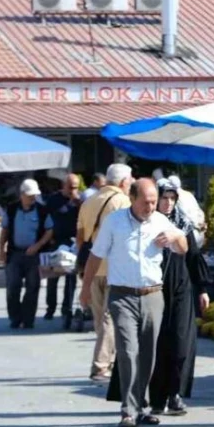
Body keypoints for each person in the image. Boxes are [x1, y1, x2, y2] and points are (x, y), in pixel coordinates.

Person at [79, 179, 188, 427]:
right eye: (146, 202)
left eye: (153, 202)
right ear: (132, 198)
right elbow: (95, 256)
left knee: (148, 355)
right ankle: (127, 410)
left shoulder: (161, 221)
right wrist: (85, 289)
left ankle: (140, 406)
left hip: (153, 295)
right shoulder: (115, 222)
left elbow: (182, 248)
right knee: (128, 351)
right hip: (122, 295)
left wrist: (175, 235)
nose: (151, 206)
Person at [135, 180, 209, 416]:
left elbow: (194, 258)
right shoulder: (144, 225)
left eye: (171, 198)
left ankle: (175, 393)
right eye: (163, 198)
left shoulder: (183, 224)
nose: (167, 203)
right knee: (155, 343)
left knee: (180, 343)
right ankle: (155, 397)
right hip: (153, 289)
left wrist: (203, 289)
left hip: (181, 289)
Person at [77, 164, 133, 382]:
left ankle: (107, 362)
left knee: (101, 320)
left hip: (93, 266)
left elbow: (80, 237)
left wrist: (83, 267)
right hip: (114, 267)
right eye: (130, 181)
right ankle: (100, 366)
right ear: (123, 182)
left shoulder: (88, 201)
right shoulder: (123, 202)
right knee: (110, 319)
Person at [0, 179, 54, 330]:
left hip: (34, 256)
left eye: (34, 195)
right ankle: (15, 318)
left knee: (33, 287)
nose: (32, 198)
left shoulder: (42, 211)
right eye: (30, 195)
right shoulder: (11, 209)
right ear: (22, 194)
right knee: (12, 286)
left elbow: (50, 230)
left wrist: (38, 245)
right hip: (14, 254)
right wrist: (1, 251)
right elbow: (5, 230)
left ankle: (28, 319)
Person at [43, 173, 82, 329]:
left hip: (72, 242)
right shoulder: (54, 199)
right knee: (53, 277)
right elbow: (54, 216)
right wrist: (69, 204)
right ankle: (50, 307)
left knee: (70, 278)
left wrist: (79, 204)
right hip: (56, 240)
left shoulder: (80, 200)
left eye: (76, 187)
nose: (73, 190)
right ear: (64, 186)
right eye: (71, 187)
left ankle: (67, 308)